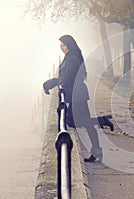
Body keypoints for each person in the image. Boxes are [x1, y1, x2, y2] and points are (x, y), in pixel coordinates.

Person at [43, 34, 114, 162]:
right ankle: (97, 147)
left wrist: (51, 83)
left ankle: (101, 124)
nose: (62, 48)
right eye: (61, 46)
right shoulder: (70, 57)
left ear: (70, 45)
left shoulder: (73, 59)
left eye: (64, 45)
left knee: (72, 122)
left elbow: (67, 78)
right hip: (76, 94)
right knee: (86, 123)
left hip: (77, 95)